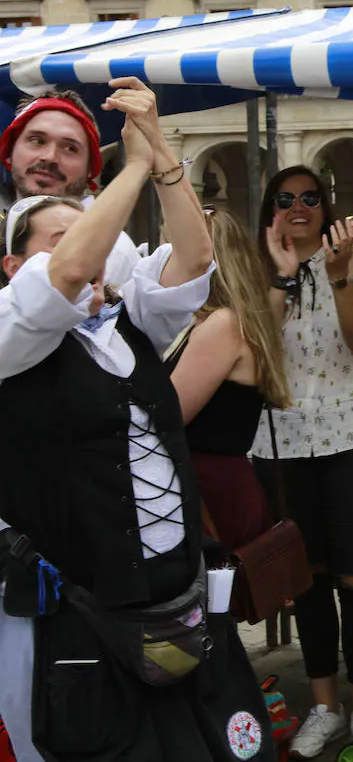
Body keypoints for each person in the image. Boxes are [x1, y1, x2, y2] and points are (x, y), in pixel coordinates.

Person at [0, 79, 274, 762]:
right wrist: (132, 170)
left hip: (164, 595)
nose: (87, 255)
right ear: (12, 265)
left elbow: (195, 261)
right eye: (61, 241)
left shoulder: (125, 326)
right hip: (71, 603)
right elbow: (64, 276)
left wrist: (161, 158)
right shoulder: (12, 328)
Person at [252, 167, 353, 759]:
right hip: (280, 445)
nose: (299, 208)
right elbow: (257, 344)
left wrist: (337, 274)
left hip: (351, 438)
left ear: (327, 205)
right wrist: (282, 276)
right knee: (305, 585)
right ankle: (322, 707)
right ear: (271, 209)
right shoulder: (256, 271)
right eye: (286, 200)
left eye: (311, 198)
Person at [168, 207, 292, 553]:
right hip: (219, 486)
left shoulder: (222, 325)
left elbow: (166, 415)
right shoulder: (231, 321)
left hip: (210, 494)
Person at [0, 89, 142, 287]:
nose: (49, 156)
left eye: (70, 148)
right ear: (9, 152)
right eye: (36, 141)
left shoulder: (110, 249)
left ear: (90, 169)